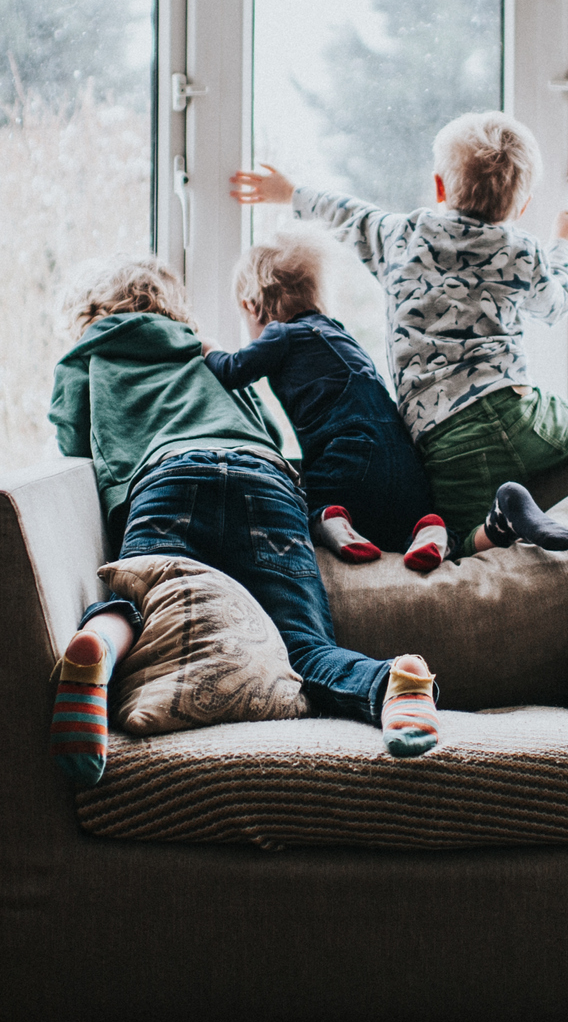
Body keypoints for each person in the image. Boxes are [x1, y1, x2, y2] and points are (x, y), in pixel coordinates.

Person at [46, 256, 442, 787]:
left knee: (143, 612)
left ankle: (98, 645)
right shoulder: (202, 351)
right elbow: (267, 430)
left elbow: (73, 444)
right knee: (301, 645)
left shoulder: (88, 355)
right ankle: (393, 683)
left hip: (167, 478)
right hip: (265, 479)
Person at [230, 111, 568, 559]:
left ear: (439, 187)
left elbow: (349, 216)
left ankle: (505, 510)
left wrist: (291, 193)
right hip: (515, 408)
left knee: (452, 541)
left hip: (441, 436)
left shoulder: (402, 236)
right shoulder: (520, 250)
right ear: (522, 206)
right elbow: (556, 305)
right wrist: (564, 244)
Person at [209, 233, 568, 571]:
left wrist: (205, 349)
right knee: (405, 525)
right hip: (402, 464)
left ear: (252, 306)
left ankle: (330, 521)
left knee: (305, 499)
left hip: (345, 455)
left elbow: (233, 371)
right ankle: (429, 531)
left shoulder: (281, 335)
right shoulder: (339, 333)